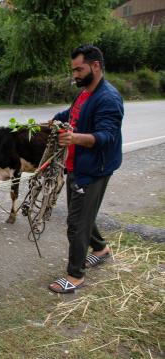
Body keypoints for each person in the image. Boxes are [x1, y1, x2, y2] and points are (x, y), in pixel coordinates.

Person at [48, 44, 124, 293]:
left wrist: (74, 139)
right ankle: (100, 249)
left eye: (79, 69)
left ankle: (76, 275)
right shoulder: (85, 93)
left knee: (76, 223)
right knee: (82, 215)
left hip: (93, 170)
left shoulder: (108, 98)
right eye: (73, 70)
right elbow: (72, 113)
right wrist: (54, 120)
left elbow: (106, 136)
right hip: (78, 166)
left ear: (95, 66)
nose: (75, 75)